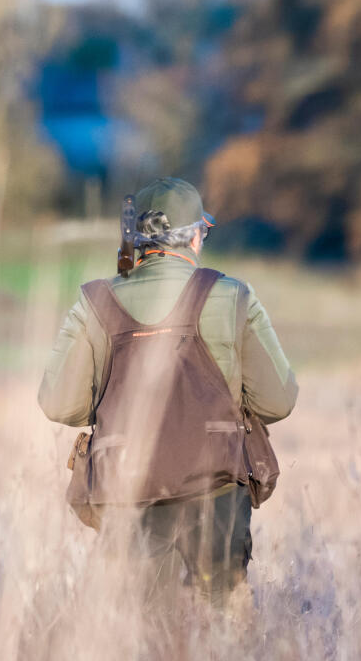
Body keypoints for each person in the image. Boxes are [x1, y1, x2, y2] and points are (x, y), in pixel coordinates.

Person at [39, 176, 298, 606]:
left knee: (143, 638)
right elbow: (278, 400)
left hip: (127, 490)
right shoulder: (234, 296)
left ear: (136, 240)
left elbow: (60, 403)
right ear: (195, 236)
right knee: (223, 631)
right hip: (215, 490)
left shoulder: (93, 303)